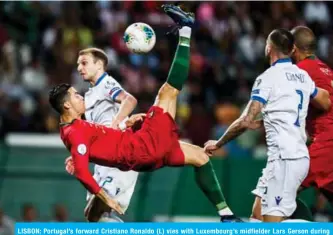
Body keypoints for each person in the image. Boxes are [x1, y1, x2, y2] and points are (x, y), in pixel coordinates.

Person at [50, 4, 241, 223]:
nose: (80, 96)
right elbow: (84, 165)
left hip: (145, 153)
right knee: (168, 91)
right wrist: (87, 164)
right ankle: (186, 30)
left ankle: (227, 214)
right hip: (143, 147)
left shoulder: (75, 127)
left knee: (200, 157)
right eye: (75, 96)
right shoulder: (76, 130)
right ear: (66, 106)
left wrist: (122, 124)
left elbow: (96, 136)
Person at [204, 29, 331, 222]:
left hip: (287, 158)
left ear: (269, 48)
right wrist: (273, 117)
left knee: (271, 225)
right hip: (287, 157)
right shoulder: (304, 75)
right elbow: (326, 102)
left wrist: (219, 143)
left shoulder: (268, 78)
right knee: (257, 215)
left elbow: (245, 120)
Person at [65, 46, 139, 222]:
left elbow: (130, 100)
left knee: (101, 207)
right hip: (104, 160)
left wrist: (114, 127)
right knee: (94, 216)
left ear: (99, 65)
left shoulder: (106, 83)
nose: (79, 68)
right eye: (78, 64)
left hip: (118, 155)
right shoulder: (89, 95)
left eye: (84, 63)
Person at [290, 26, 333, 220]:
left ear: (293, 48)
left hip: (325, 144)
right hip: (326, 142)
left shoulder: (298, 71)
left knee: (279, 192)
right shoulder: (327, 70)